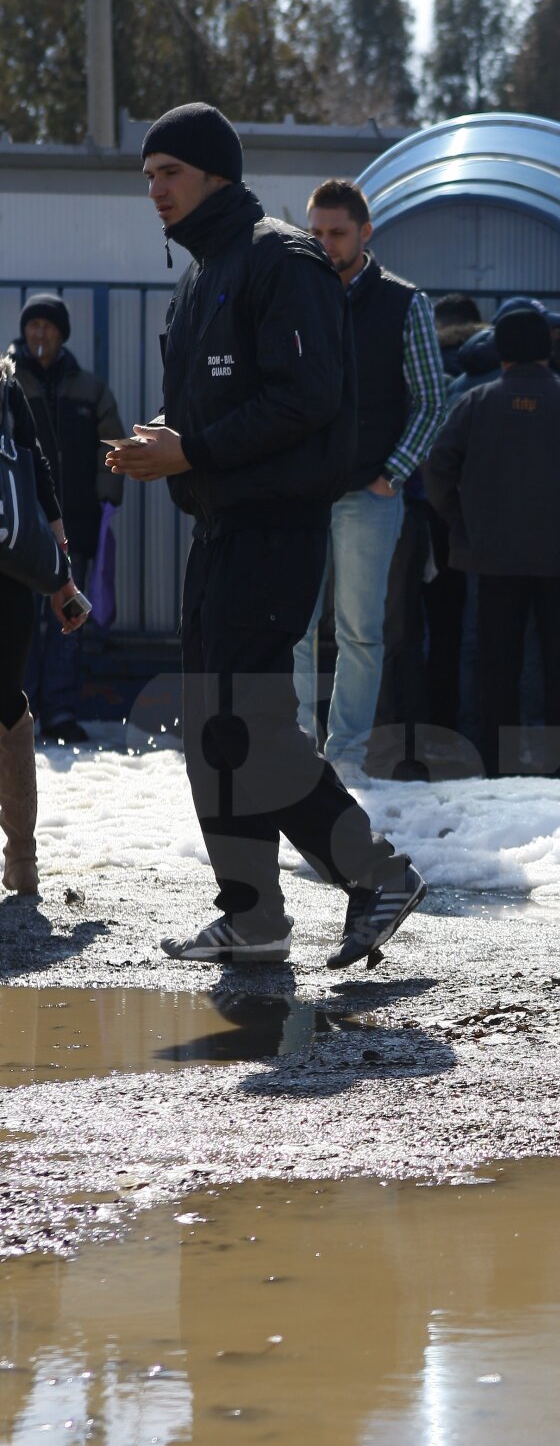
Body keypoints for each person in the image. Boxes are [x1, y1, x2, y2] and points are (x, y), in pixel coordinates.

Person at [108, 101, 425, 966]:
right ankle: (252, 914)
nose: (155, 191)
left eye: (169, 172)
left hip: (277, 529)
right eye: (148, 176)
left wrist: (194, 448)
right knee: (211, 729)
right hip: (219, 528)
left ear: (216, 174)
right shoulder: (201, 274)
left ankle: (377, 873)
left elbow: (306, 398)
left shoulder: (280, 259)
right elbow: (217, 406)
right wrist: (162, 443)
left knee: (249, 725)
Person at [424, 299, 560, 779]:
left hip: (492, 558)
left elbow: (437, 471)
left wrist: (463, 524)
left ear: (500, 352)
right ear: (547, 350)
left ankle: (497, 769)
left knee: (495, 667)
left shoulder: (474, 404)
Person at [292, 178, 445, 779]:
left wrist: (392, 475)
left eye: (336, 233)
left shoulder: (405, 302)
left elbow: (433, 400)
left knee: (360, 631)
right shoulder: (293, 292)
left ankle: (347, 756)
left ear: (365, 233)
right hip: (301, 492)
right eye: (316, 231)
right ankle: (299, 749)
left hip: (368, 494)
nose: (324, 243)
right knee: (294, 629)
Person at [9, 294, 125, 745]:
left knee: (68, 618)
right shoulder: (7, 383)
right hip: (19, 530)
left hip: (75, 523)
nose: (40, 334)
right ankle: (21, 710)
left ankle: (59, 710)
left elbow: (111, 443)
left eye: (49, 326)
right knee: (20, 618)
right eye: (33, 325)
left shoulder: (90, 389)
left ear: (62, 334)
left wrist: (107, 500)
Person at [0, 353, 86, 894]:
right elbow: (37, 472)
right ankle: (22, 860)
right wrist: (62, 578)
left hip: (8, 570)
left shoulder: (6, 386)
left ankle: (23, 856)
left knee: (6, 704)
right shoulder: (5, 386)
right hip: (9, 567)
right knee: (6, 703)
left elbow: (36, 471)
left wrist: (63, 577)